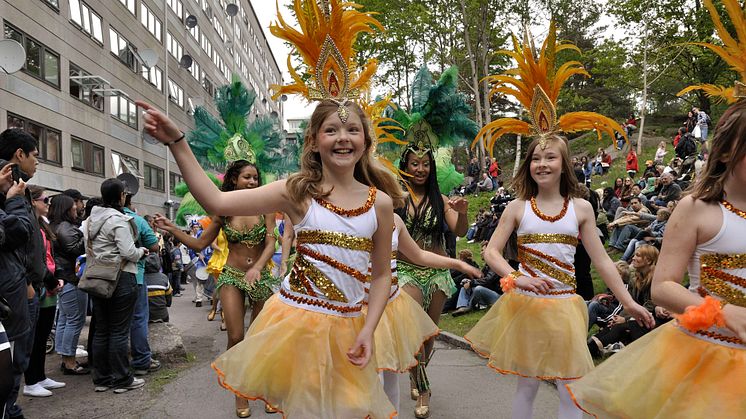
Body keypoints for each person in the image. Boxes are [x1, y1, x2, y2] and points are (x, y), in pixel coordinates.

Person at [139, 90, 404, 417]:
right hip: (300, 324)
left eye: (352, 130)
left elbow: (380, 276)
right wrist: (177, 142)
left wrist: (368, 328)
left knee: (353, 409)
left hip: (352, 327)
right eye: (331, 130)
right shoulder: (296, 192)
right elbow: (217, 203)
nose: (342, 138)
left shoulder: (380, 203)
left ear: (365, 140)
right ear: (314, 140)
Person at [567, 95, 746, 419]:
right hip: (707, 353)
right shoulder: (697, 209)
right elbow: (663, 287)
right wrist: (723, 312)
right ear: (724, 151)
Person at [464, 132, 654, 419]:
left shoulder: (581, 208)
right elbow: (491, 252)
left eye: (550, 157)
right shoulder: (518, 207)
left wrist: (628, 302)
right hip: (526, 307)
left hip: (565, 307)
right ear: (528, 164)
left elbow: (601, 260)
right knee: (527, 386)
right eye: (536, 158)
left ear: (564, 164)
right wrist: (518, 278)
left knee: (570, 387)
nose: (542, 164)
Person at [154, 157, 279, 414]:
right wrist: (172, 229)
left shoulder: (267, 206)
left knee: (261, 337)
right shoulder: (224, 211)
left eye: (255, 178)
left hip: (261, 277)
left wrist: (257, 268)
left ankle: (266, 389)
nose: (252, 181)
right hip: (232, 275)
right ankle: (239, 394)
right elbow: (199, 244)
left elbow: (270, 244)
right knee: (236, 336)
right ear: (234, 180)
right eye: (247, 177)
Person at [0, 129, 51, 419]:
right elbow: (18, 233)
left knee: (18, 354)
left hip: (21, 283)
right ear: (20, 154)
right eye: (35, 156)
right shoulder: (11, 189)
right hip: (13, 287)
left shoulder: (16, 187)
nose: (37, 163)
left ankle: (12, 407)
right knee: (12, 357)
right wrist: (29, 280)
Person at [86, 178, 149, 393]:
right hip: (121, 277)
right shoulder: (118, 220)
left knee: (102, 330)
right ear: (121, 196)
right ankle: (122, 379)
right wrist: (142, 252)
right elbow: (129, 252)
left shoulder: (90, 220)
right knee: (120, 331)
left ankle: (102, 379)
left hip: (97, 277)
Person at [587, 245, 670, 357]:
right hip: (639, 317)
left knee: (620, 327)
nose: (633, 258)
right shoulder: (635, 279)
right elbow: (629, 303)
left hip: (653, 319)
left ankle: (592, 349)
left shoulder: (657, 278)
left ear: (649, 260)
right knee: (614, 324)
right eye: (634, 254)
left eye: (638, 255)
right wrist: (619, 318)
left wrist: (624, 319)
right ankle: (591, 346)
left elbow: (651, 305)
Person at [23, 186, 66, 397]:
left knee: (43, 334)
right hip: (39, 285)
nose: (48, 204)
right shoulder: (30, 224)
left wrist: (56, 276)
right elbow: (33, 260)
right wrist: (49, 280)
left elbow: (49, 257)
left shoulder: (42, 224)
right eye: (45, 200)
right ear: (33, 201)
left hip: (49, 285)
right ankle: (30, 381)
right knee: (35, 336)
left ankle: (40, 376)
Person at [0, 161, 32, 414]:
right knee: (9, 366)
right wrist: (12, 200)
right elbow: (20, 231)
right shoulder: (9, 203)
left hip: (13, 292)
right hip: (7, 300)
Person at [121, 185, 161, 377]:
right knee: (138, 319)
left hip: (104, 279)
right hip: (134, 276)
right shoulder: (136, 220)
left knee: (112, 324)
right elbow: (154, 246)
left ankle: (112, 367)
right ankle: (141, 361)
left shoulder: (97, 218)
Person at [49, 194, 88, 376]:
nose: (76, 208)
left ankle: (66, 358)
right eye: (73, 205)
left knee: (65, 319)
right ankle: (70, 361)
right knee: (75, 319)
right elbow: (75, 249)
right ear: (66, 208)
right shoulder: (65, 228)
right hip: (71, 279)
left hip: (64, 278)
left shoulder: (55, 226)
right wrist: (86, 234)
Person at [144, 254, 172, 323]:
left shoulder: (141, 278)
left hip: (146, 315)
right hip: (162, 314)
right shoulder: (164, 277)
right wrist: (167, 304)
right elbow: (169, 297)